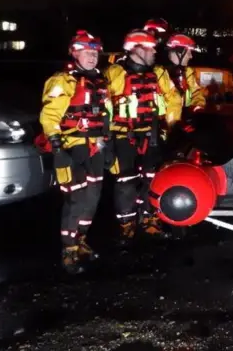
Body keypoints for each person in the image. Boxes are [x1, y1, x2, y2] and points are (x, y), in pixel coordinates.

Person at [39, 30, 112, 273]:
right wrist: (57, 147)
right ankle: (68, 249)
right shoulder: (64, 81)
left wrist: (107, 143)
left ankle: (81, 240)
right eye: (87, 52)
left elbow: (105, 115)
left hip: (96, 147)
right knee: (76, 198)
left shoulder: (101, 81)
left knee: (92, 197)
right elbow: (49, 116)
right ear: (74, 53)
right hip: (72, 147)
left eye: (94, 53)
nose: (92, 57)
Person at [105, 29, 182, 244]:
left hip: (153, 133)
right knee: (125, 181)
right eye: (150, 48)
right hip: (123, 136)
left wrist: (172, 126)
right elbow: (104, 105)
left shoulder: (159, 74)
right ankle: (127, 225)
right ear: (136, 50)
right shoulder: (115, 74)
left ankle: (150, 219)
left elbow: (173, 99)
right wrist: (105, 137)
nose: (155, 52)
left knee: (153, 178)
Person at [164, 33, 207, 118]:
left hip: (182, 122)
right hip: (165, 126)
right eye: (188, 53)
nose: (191, 56)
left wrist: (198, 107)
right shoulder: (160, 74)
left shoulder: (187, 73)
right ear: (179, 53)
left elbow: (196, 92)